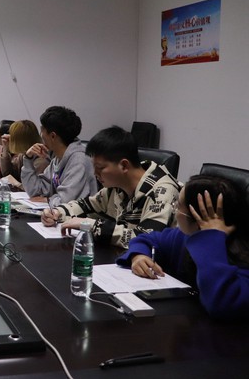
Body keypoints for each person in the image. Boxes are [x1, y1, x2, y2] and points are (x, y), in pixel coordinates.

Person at [116, 175, 249, 319]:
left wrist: (211, 238)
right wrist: (139, 255)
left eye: (178, 206)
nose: (174, 210)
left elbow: (222, 303)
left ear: (197, 217)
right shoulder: (183, 236)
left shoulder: (242, 256)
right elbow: (147, 239)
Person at [41, 126, 181, 249]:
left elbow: (146, 239)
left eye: (100, 168)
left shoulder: (161, 192)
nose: (95, 173)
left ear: (124, 165)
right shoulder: (116, 187)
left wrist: (93, 225)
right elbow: (85, 205)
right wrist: (56, 213)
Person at [19, 106, 97, 207]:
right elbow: (36, 192)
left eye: (42, 130)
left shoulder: (79, 161)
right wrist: (28, 159)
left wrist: (48, 200)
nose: (41, 135)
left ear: (52, 136)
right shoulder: (57, 159)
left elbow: (66, 201)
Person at [1, 119, 46, 187]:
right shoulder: (23, 155)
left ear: (20, 140)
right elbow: (7, 173)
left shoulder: (41, 160)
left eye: (12, 136)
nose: (9, 138)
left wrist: (17, 184)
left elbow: (36, 189)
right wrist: (5, 148)